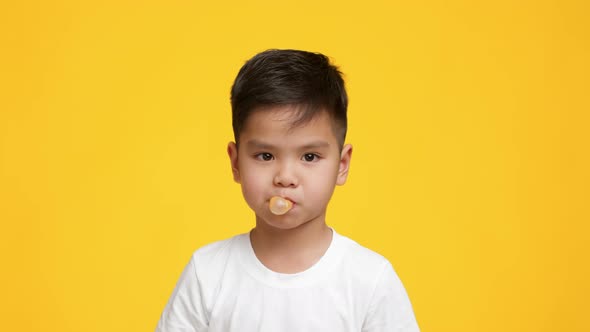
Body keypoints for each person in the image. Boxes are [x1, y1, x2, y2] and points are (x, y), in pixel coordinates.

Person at [155, 49, 420, 332]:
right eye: (265, 156)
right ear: (236, 162)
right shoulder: (206, 273)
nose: (285, 177)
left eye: (309, 157)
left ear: (341, 164)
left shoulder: (369, 280)